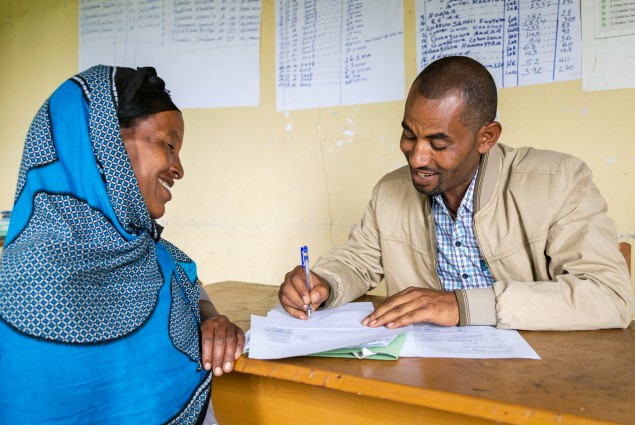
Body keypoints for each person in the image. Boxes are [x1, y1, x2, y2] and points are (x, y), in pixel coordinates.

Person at [279, 56, 634, 331]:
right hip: (433, 374)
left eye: (438, 143)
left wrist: (463, 306)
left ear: (486, 137)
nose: (417, 157)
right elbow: (357, 261)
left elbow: (610, 296)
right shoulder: (391, 191)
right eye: (409, 135)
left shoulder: (558, 181)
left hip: (535, 377)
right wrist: (323, 283)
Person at [0, 65, 244, 424]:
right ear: (105, 142)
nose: (179, 170)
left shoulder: (151, 253)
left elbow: (192, 287)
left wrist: (210, 318)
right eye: (169, 145)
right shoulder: (26, 284)